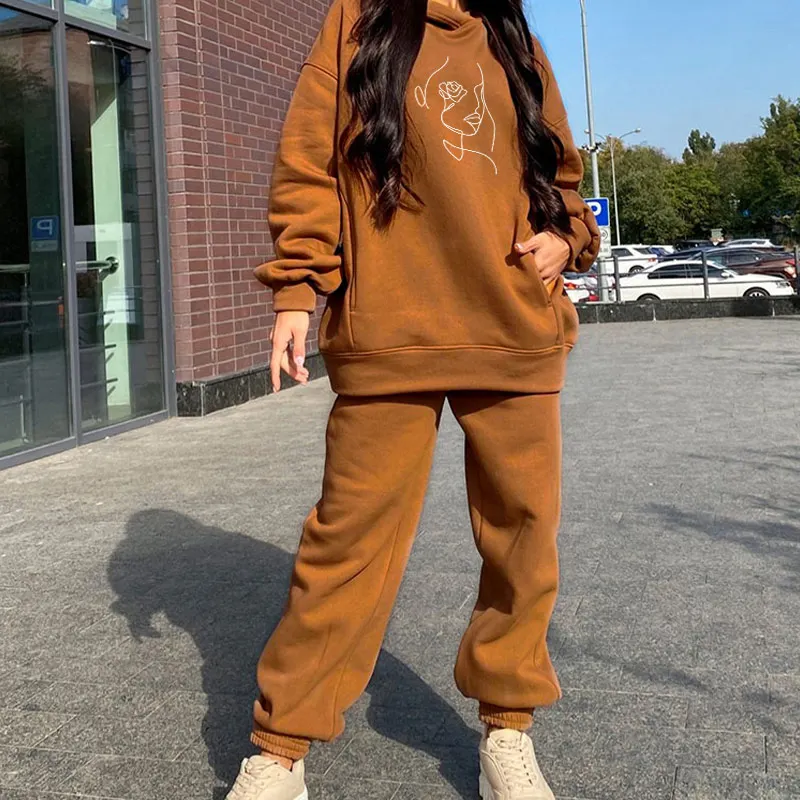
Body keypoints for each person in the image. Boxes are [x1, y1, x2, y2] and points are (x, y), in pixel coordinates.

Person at [226, 0, 599, 797]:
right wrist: (296, 287)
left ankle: (507, 730)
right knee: (346, 541)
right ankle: (281, 746)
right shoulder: (356, 21)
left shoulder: (516, 42)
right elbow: (308, 159)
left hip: (513, 324)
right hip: (388, 329)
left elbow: (562, 173)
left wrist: (566, 237)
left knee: (524, 538)